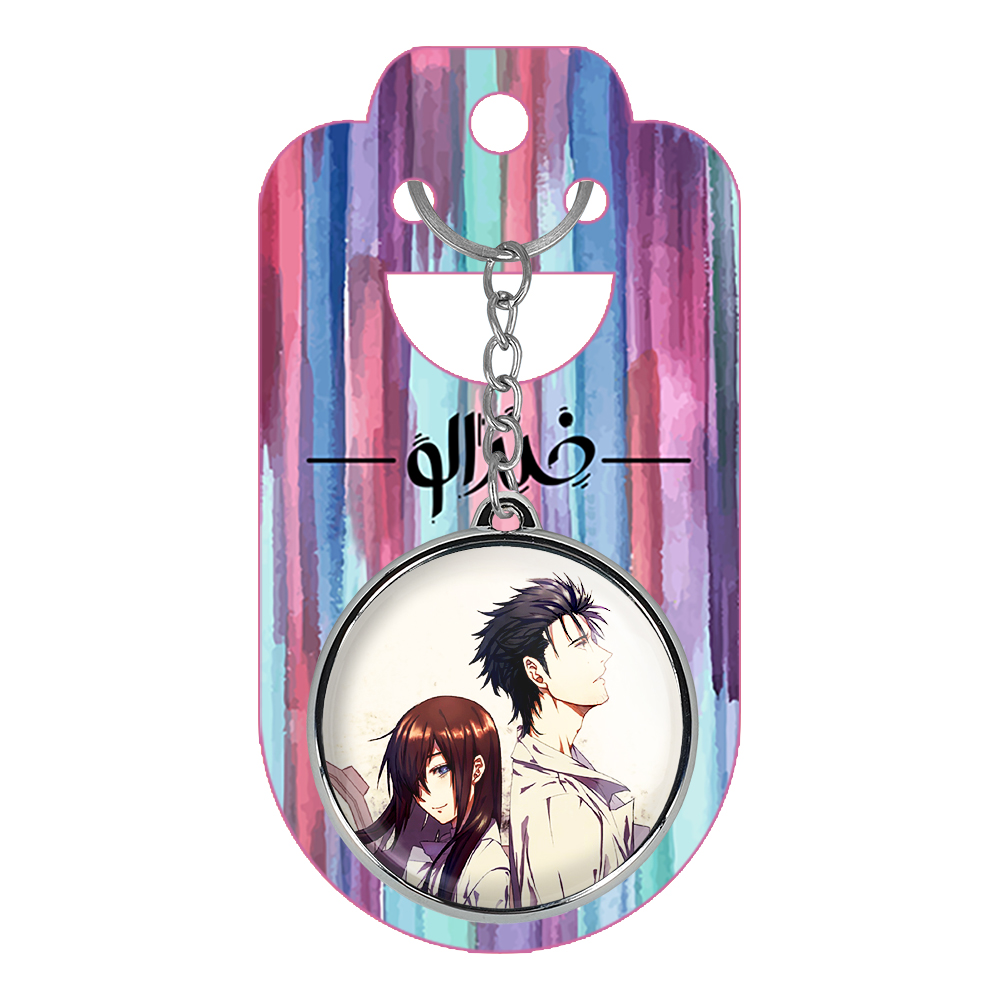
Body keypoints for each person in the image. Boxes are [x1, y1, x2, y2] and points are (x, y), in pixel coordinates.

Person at [472, 575, 644, 907]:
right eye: (580, 645)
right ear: (537, 672)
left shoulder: (564, 767)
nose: (603, 654)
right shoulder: (557, 803)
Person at [357, 696, 509, 909]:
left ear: (477, 769)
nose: (426, 794)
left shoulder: (488, 868)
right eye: (415, 780)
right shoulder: (430, 844)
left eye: (441, 770)